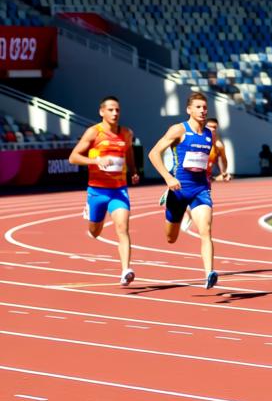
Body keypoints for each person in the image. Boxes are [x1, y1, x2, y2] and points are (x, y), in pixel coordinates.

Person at [147, 91, 220, 289]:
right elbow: (153, 154)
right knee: (171, 238)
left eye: (205, 107)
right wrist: (168, 178)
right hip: (178, 189)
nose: (203, 111)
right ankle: (172, 204)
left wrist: (214, 177)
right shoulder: (178, 130)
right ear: (189, 110)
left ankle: (209, 273)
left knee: (206, 230)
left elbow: (204, 163)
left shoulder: (209, 134)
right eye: (198, 107)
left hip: (200, 190)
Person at [68, 96, 140, 287]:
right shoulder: (94, 132)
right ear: (102, 112)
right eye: (110, 110)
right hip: (97, 191)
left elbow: (129, 153)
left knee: (122, 228)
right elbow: (73, 157)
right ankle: (92, 224)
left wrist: (133, 171)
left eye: (117, 110)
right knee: (95, 230)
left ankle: (126, 270)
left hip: (119, 190)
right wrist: (96, 161)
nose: (115, 113)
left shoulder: (126, 133)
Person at [180, 117, 231, 233]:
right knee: (185, 200)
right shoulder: (197, 138)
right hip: (189, 174)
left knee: (202, 205)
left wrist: (224, 172)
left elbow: (223, 159)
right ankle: (187, 214)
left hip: (205, 177)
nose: (212, 129)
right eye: (210, 127)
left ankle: (197, 222)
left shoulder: (218, 145)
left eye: (215, 128)